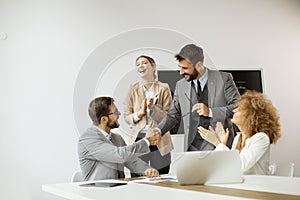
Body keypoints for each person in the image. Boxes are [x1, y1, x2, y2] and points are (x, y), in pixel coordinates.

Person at [156, 44, 240, 151]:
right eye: (180, 67)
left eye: (185, 68)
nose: (181, 72)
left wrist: (210, 111)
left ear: (199, 65)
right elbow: (173, 114)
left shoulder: (224, 79)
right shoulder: (180, 85)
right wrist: (158, 130)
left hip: (219, 143)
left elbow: (237, 107)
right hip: (192, 147)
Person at [198, 90, 281, 174]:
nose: (234, 111)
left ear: (251, 115)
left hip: (255, 186)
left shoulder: (261, 138)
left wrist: (217, 143)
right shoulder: (238, 138)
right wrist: (222, 144)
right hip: (240, 184)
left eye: (239, 109)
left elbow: (240, 166)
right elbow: (228, 167)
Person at [78, 96, 160, 181]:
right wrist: (147, 141)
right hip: (96, 191)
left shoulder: (117, 138)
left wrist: (147, 169)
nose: (119, 114)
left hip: (119, 189)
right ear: (104, 119)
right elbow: (120, 155)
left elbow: (131, 160)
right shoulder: (87, 140)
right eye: (115, 112)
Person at [123, 55, 173, 176]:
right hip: (139, 139)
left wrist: (153, 108)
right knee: (137, 177)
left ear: (153, 67)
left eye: (144, 63)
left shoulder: (164, 88)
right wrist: (139, 113)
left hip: (159, 139)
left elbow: (170, 117)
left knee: (161, 177)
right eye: (137, 64)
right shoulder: (132, 88)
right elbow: (126, 117)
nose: (140, 66)